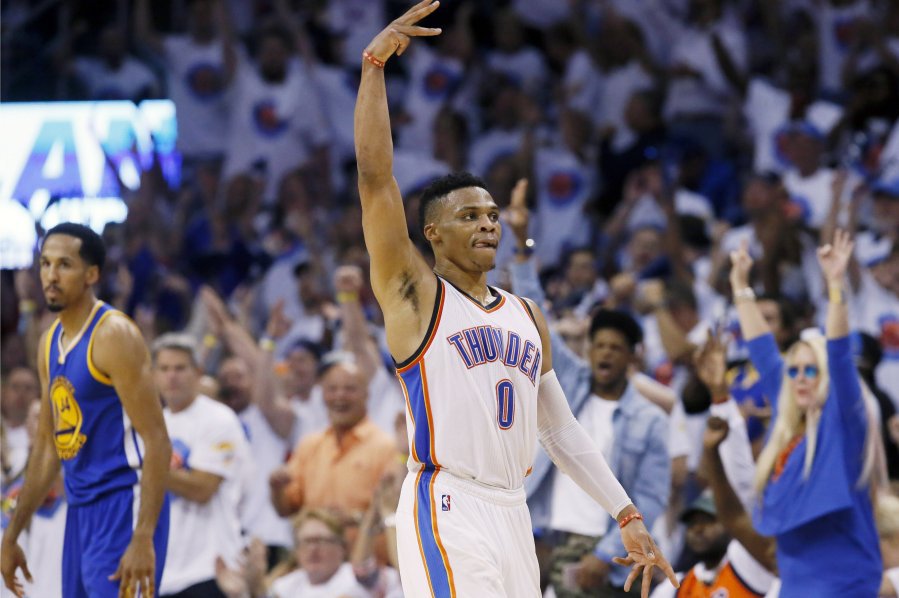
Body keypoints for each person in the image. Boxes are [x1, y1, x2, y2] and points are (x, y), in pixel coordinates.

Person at [353, 3, 678, 597]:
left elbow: (560, 431)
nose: (489, 225)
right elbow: (376, 182)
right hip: (446, 501)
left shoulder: (526, 315)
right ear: (433, 233)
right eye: (469, 215)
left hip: (513, 510)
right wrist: (374, 67)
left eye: (494, 216)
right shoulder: (415, 294)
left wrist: (626, 513)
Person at [1, 222, 171, 597]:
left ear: (92, 274)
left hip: (125, 502)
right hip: (80, 508)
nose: (50, 275)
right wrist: (12, 534)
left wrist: (143, 536)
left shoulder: (114, 335)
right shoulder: (49, 344)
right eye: (45, 264)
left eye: (64, 265)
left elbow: (158, 440)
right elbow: (48, 447)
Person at [729, 231, 883, 597]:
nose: (799, 378)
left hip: (847, 586)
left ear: (825, 377)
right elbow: (764, 351)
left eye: (810, 370)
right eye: (794, 370)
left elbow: (841, 356)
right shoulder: (787, 434)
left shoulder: (844, 421)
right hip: (795, 586)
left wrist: (835, 285)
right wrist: (740, 286)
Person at [151, 333, 250, 597]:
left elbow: (202, 489)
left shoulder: (218, 419)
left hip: (210, 569)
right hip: (163, 572)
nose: (172, 376)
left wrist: (145, 465)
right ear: (154, 376)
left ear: (198, 372)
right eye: (164, 369)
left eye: (180, 368)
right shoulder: (152, 425)